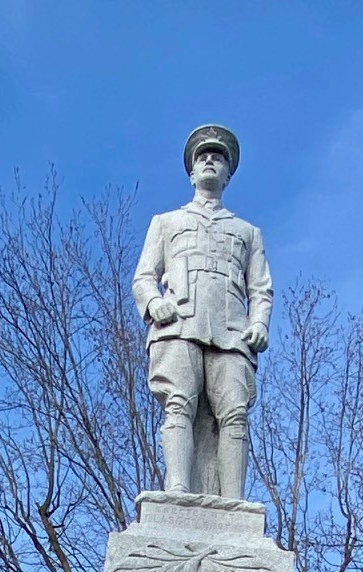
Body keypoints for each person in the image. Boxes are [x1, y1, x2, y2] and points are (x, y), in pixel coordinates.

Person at [132, 125, 273, 499]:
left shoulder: (247, 232)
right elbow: (144, 277)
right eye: (203, 156)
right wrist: (152, 302)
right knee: (179, 404)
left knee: (235, 414)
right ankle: (178, 489)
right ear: (192, 172)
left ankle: (233, 501)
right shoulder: (166, 223)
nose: (210, 160)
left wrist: (259, 322)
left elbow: (261, 288)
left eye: (218, 156)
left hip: (231, 333)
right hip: (178, 325)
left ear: (228, 173)